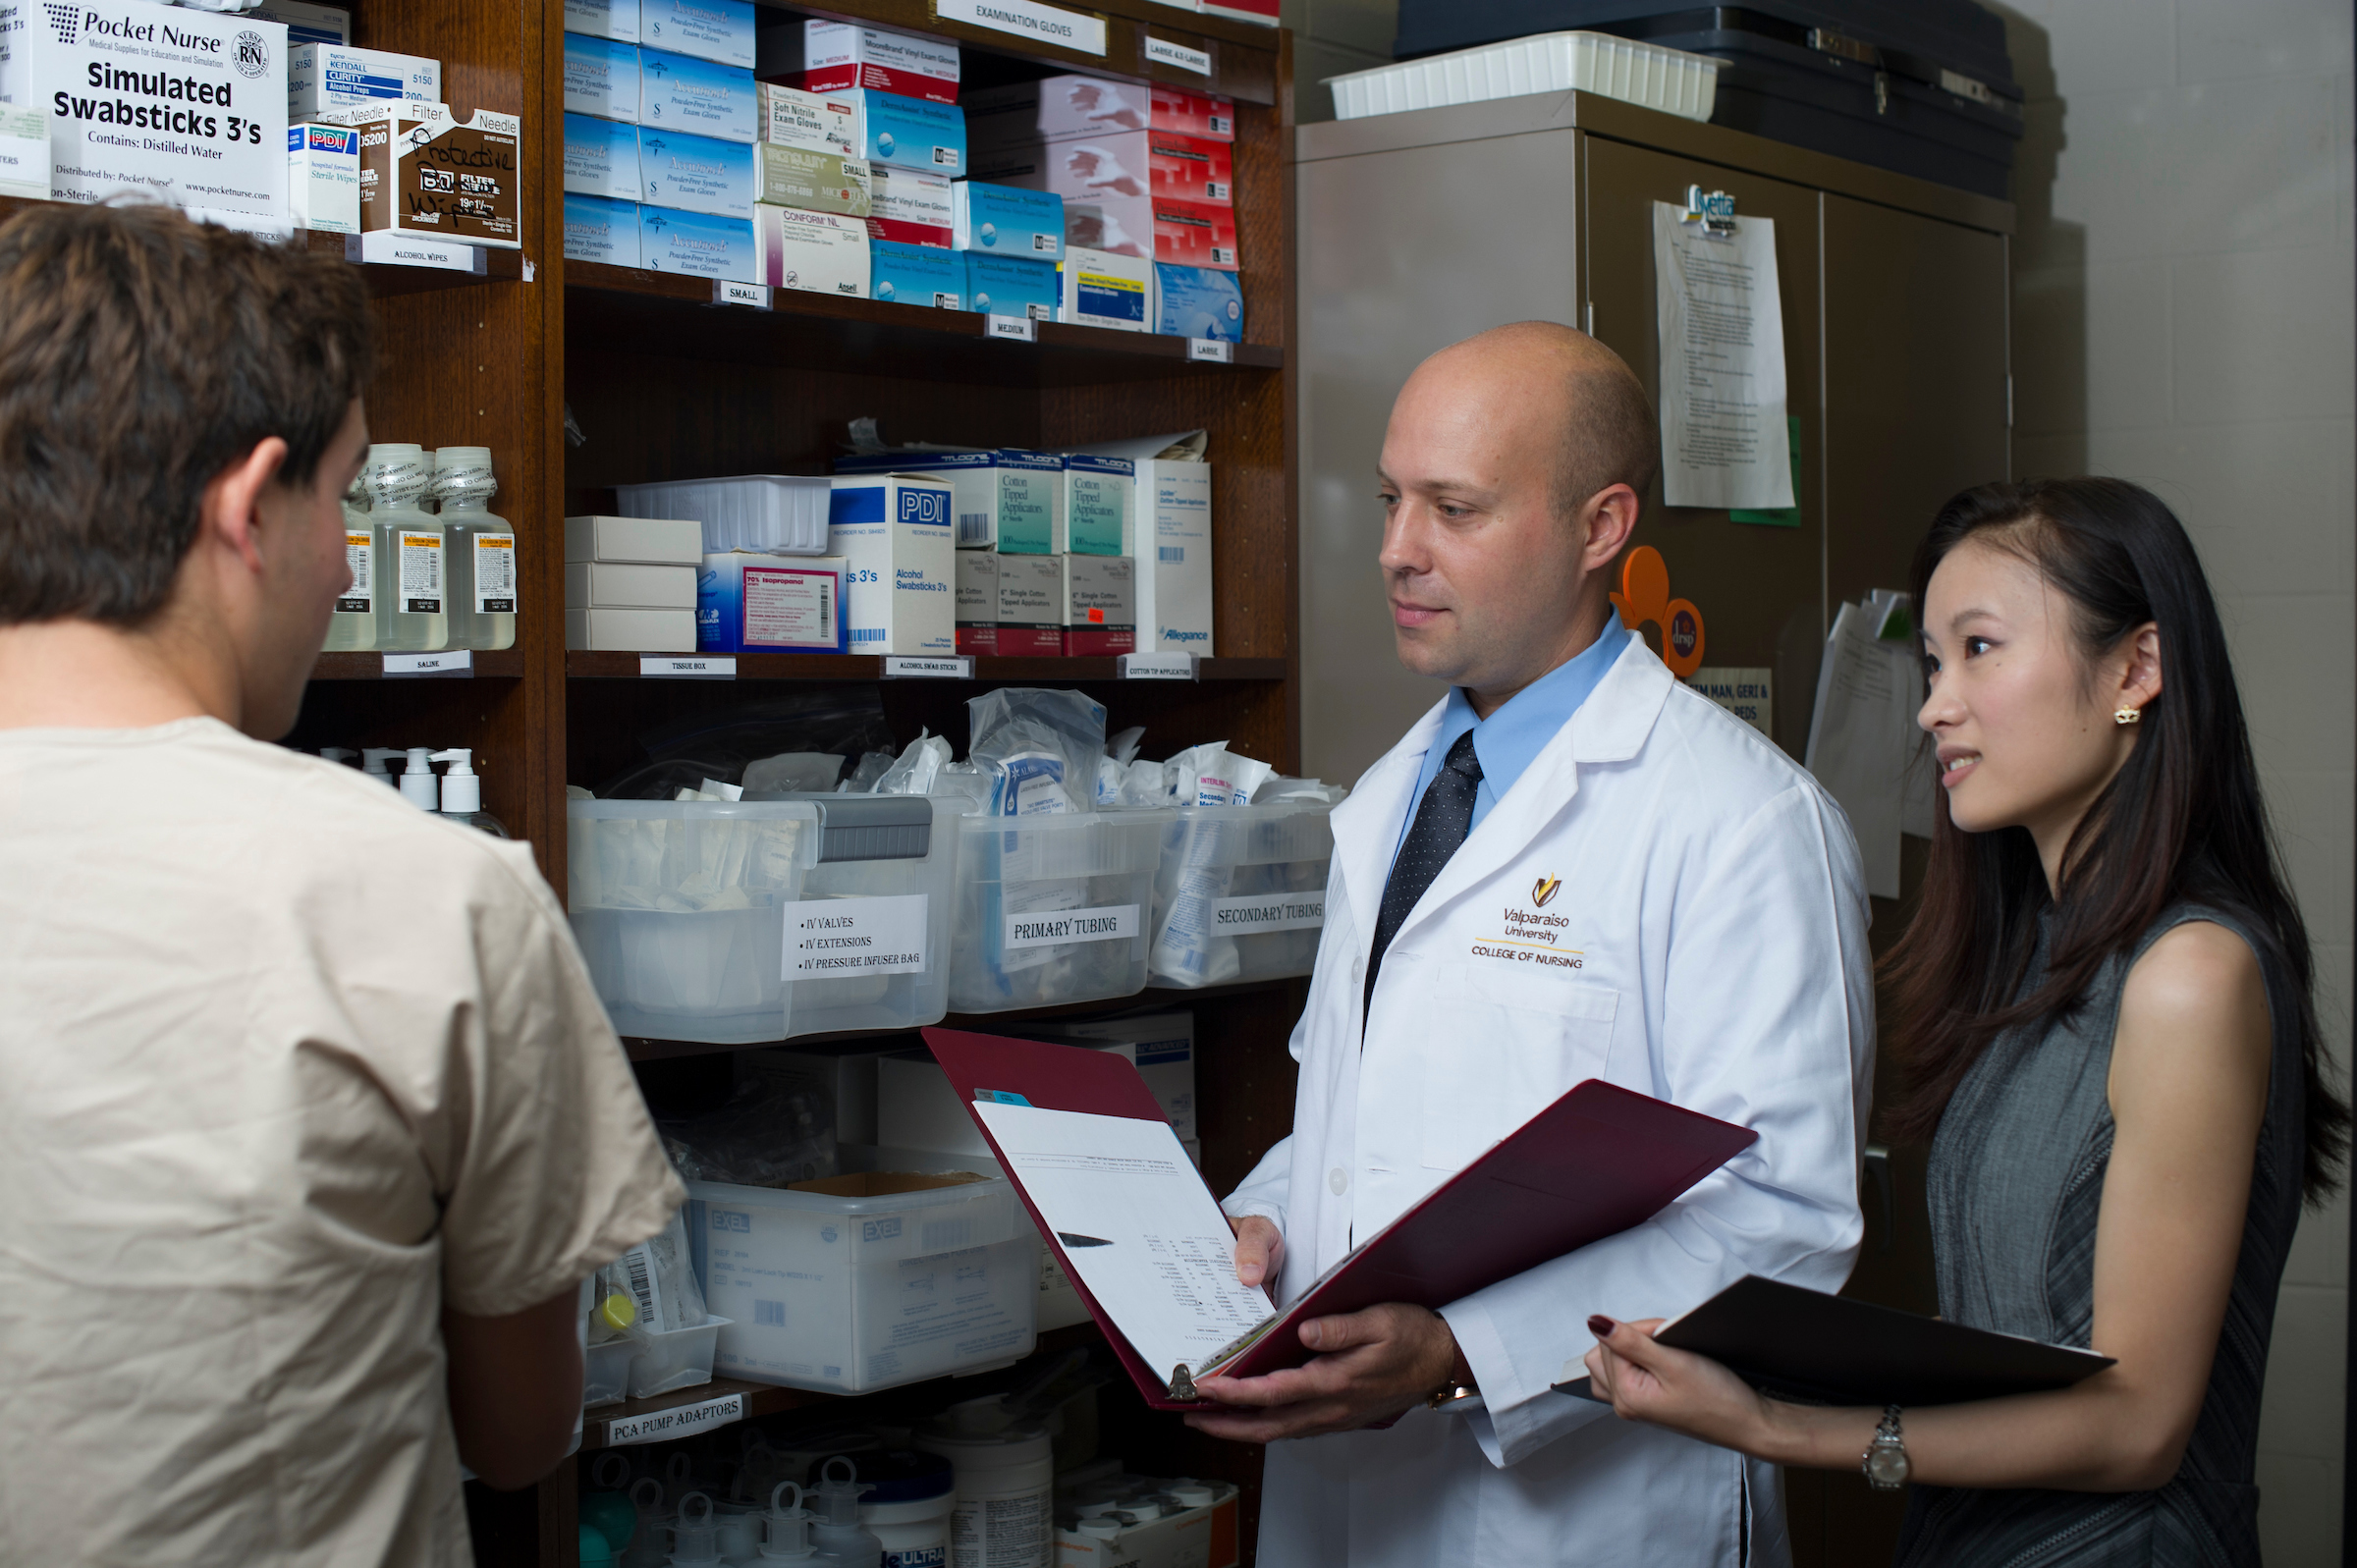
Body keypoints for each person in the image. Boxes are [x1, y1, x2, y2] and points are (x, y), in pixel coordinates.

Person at [0, 203, 683, 1563]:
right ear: (252, 507)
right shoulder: (428, 891)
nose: (345, 564)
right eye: (348, 499)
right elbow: (520, 1431)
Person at [1184, 320, 1876, 1565]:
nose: (1399, 551)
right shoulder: (1393, 796)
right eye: (1393, 500)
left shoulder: (1742, 823)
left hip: (1589, 1518)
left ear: (1600, 528)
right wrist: (1263, 1224)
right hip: (1348, 1501)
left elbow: (1784, 1221)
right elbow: (1362, 1120)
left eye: (1455, 508)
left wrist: (1461, 1353)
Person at [1582, 478, 2350, 1565]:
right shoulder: (2041, 955)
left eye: (1980, 649)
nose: (1935, 704)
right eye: (1934, 662)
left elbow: (2137, 1428)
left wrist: (1772, 1427)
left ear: (2136, 669)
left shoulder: (2191, 976)